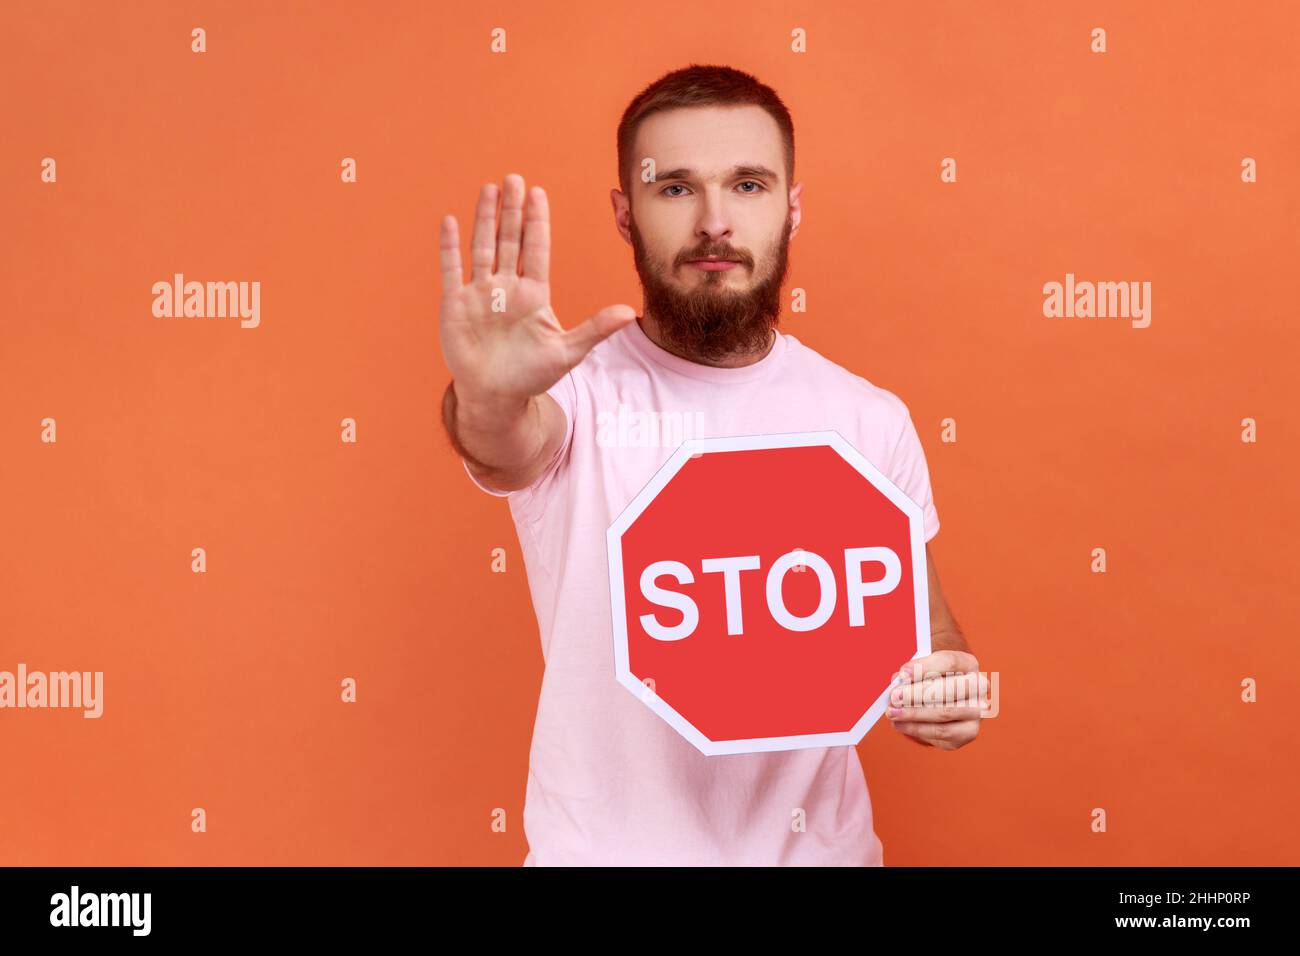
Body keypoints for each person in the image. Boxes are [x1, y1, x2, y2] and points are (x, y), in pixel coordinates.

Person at [438, 64, 981, 866]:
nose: (716, 222)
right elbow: (501, 440)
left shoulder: (870, 421)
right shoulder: (576, 402)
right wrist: (484, 394)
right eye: (675, 188)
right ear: (626, 214)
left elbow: (929, 635)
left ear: (793, 206)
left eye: (750, 185)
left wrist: (949, 689)